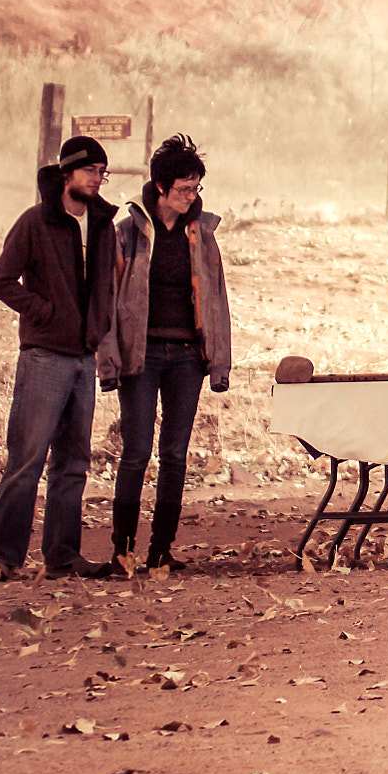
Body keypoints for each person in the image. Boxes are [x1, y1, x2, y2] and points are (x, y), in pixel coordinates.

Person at [0, 136, 122, 580]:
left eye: (102, 172)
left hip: (84, 357)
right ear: (67, 174)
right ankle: (2, 556)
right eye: (90, 171)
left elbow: (108, 284)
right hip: (43, 356)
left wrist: (97, 328)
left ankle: (63, 557)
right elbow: (2, 281)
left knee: (74, 464)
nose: (98, 179)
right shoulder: (35, 221)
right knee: (27, 458)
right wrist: (46, 312)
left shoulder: (103, 224)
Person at [98, 135, 233, 573]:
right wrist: (109, 359)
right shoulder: (127, 234)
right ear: (159, 186)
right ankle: (122, 551)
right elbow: (108, 299)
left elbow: (217, 300)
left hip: (188, 358)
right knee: (136, 451)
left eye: (196, 189)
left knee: (175, 452)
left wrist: (219, 362)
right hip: (142, 354)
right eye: (183, 189)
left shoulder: (202, 236)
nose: (191, 197)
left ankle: (161, 548)